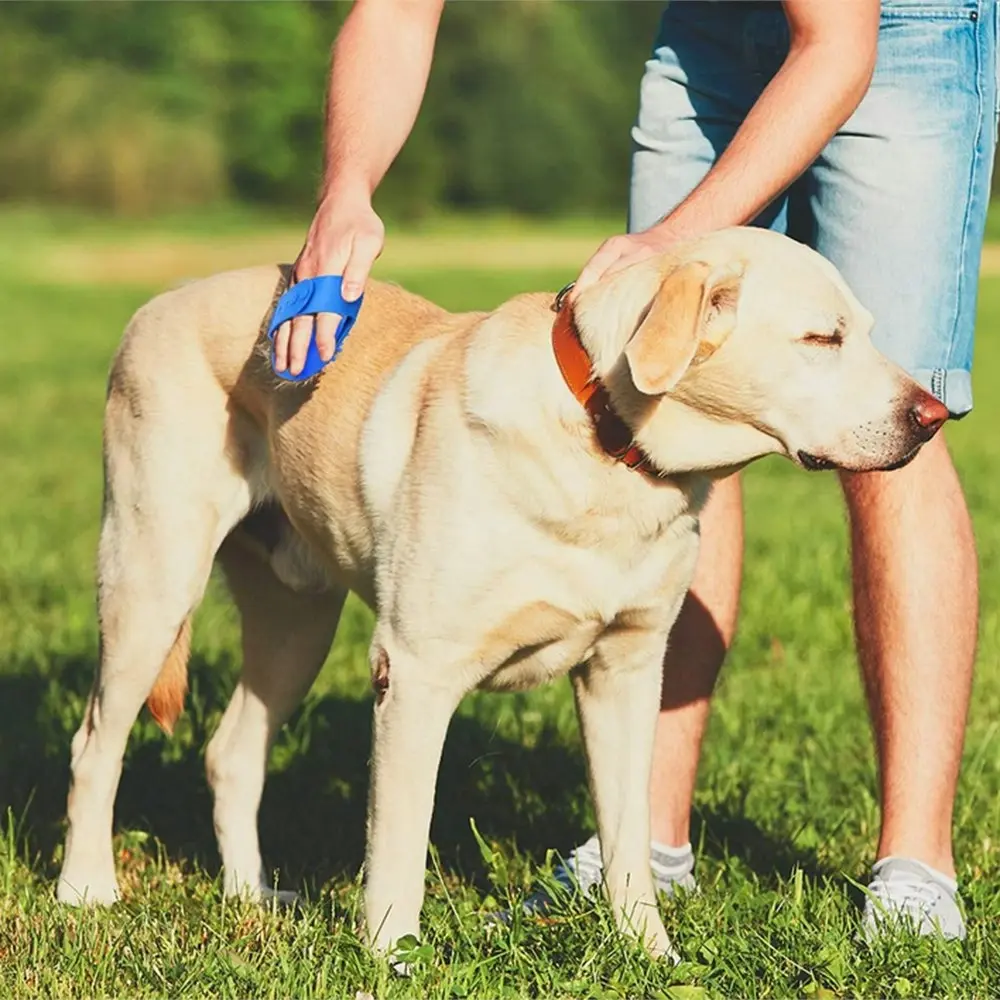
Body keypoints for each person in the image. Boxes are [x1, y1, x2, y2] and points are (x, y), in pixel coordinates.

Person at [274, 0, 997, 940]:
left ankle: (914, 867)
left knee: (886, 427)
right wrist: (346, 189)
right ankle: (646, 849)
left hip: (893, 32)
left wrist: (671, 249)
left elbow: (837, 47)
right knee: (670, 390)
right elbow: (399, 11)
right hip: (708, 33)